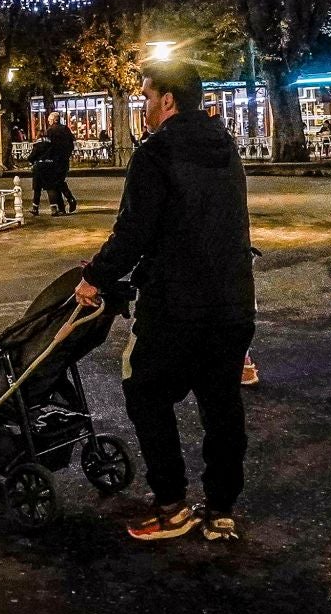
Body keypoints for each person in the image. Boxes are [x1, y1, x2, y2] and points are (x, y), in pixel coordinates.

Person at [75, 59, 255, 543]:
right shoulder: (225, 145)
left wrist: (95, 276)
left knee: (145, 392)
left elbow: (134, 230)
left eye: (147, 98)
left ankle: (172, 504)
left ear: (168, 100)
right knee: (221, 404)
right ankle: (220, 509)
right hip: (234, 300)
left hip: (176, 302)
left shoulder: (156, 152)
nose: (145, 107)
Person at [43, 112, 78, 214]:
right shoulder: (65, 129)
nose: (48, 122)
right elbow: (71, 144)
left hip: (53, 161)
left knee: (55, 183)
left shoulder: (49, 131)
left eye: (49, 120)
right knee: (59, 181)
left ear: (54, 120)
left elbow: (47, 147)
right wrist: (66, 155)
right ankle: (65, 204)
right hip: (64, 161)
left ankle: (66, 203)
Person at [27, 134, 62, 215]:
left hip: (39, 167)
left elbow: (31, 157)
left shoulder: (37, 144)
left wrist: (33, 161)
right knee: (50, 188)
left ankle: (35, 208)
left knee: (37, 189)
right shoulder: (52, 143)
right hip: (50, 166)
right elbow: (57, 156)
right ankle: (54, 209)